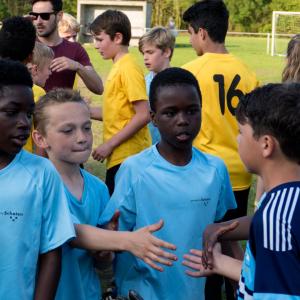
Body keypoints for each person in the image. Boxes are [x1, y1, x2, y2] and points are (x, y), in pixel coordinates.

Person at [102, 68, 237, 300]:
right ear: (153, 118)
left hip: (193, 292)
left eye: (192, 111)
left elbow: (224, 233)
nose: (183, 120)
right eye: (170, 113)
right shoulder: (134, 170)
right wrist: (107, 243)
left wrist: (236, 284)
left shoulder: (215, 169)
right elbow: (112, 237)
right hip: (140, 293)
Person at [32, 88, 177, 300]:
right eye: (68, 131)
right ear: (40, 138)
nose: (82, 138)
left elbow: (101, 263)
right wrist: (124, 240)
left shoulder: (98, 188)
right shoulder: (35, 184)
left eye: (87, 127)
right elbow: (69, 232)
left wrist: (104, 250)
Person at [183, 83, 300, 299]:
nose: (237, 139)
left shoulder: (276, 218)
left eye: (240, 132)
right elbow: (277, 279)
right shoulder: (283, 201)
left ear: (266, 145)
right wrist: (221, 263)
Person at [182, 2, 259, 298]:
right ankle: (242, 288)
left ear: (202, 33)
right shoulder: (247, 71)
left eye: (190, 34)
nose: (190, 41)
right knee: (232, 239)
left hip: (206, 173)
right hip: (241, 170)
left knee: (205, 241)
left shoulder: (189, 72)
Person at [0, 58, 75, 300]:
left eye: (28, 114)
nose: (23, 123)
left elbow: (51, 252)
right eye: (12, 113)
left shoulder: (42, 173)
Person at [89, 10, 151, 195]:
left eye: (100, 39)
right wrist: (84, 111)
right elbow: (116, 113)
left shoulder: (128, 68)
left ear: (117, 37)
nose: (95, 45)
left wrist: (109, 145)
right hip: (119, 157)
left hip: (129, 158)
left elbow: (143, 114)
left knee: (119, 220)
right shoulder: (119, 67)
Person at [255, 34, 300, 206]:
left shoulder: (274, 99)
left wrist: (259, 201)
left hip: (280, 189)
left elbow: (265, 153)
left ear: (288, 60)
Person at [29, 0, 103, 94]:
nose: (38, 21)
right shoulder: (24, 46)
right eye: (34, 15)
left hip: (63, 108)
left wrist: (78, 66)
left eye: (45, 16)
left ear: (59, 16)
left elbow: (99, 88)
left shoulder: (75, 49)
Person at [138, 26, 175, 144]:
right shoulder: (142, 83)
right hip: (147, 150)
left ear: (167, 52)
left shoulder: (180, 84)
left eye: (150, 52)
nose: (145, 57)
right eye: (143, 53)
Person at [25, 41, 54, 153]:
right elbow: (41, 134)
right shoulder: (37, 92)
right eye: (49, 68)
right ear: (35, 69)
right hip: (27, 161)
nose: (50, 73)